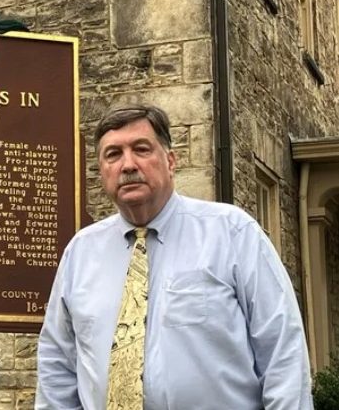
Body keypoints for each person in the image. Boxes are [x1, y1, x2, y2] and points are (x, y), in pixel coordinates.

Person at [35, 104, 313, 409]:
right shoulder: (81, 253)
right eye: (113, 154)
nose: (128, 165)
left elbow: (283, 352)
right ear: (102, 172)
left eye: (141, 149)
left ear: (170, 161)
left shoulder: (232, 234)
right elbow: (57, 367)